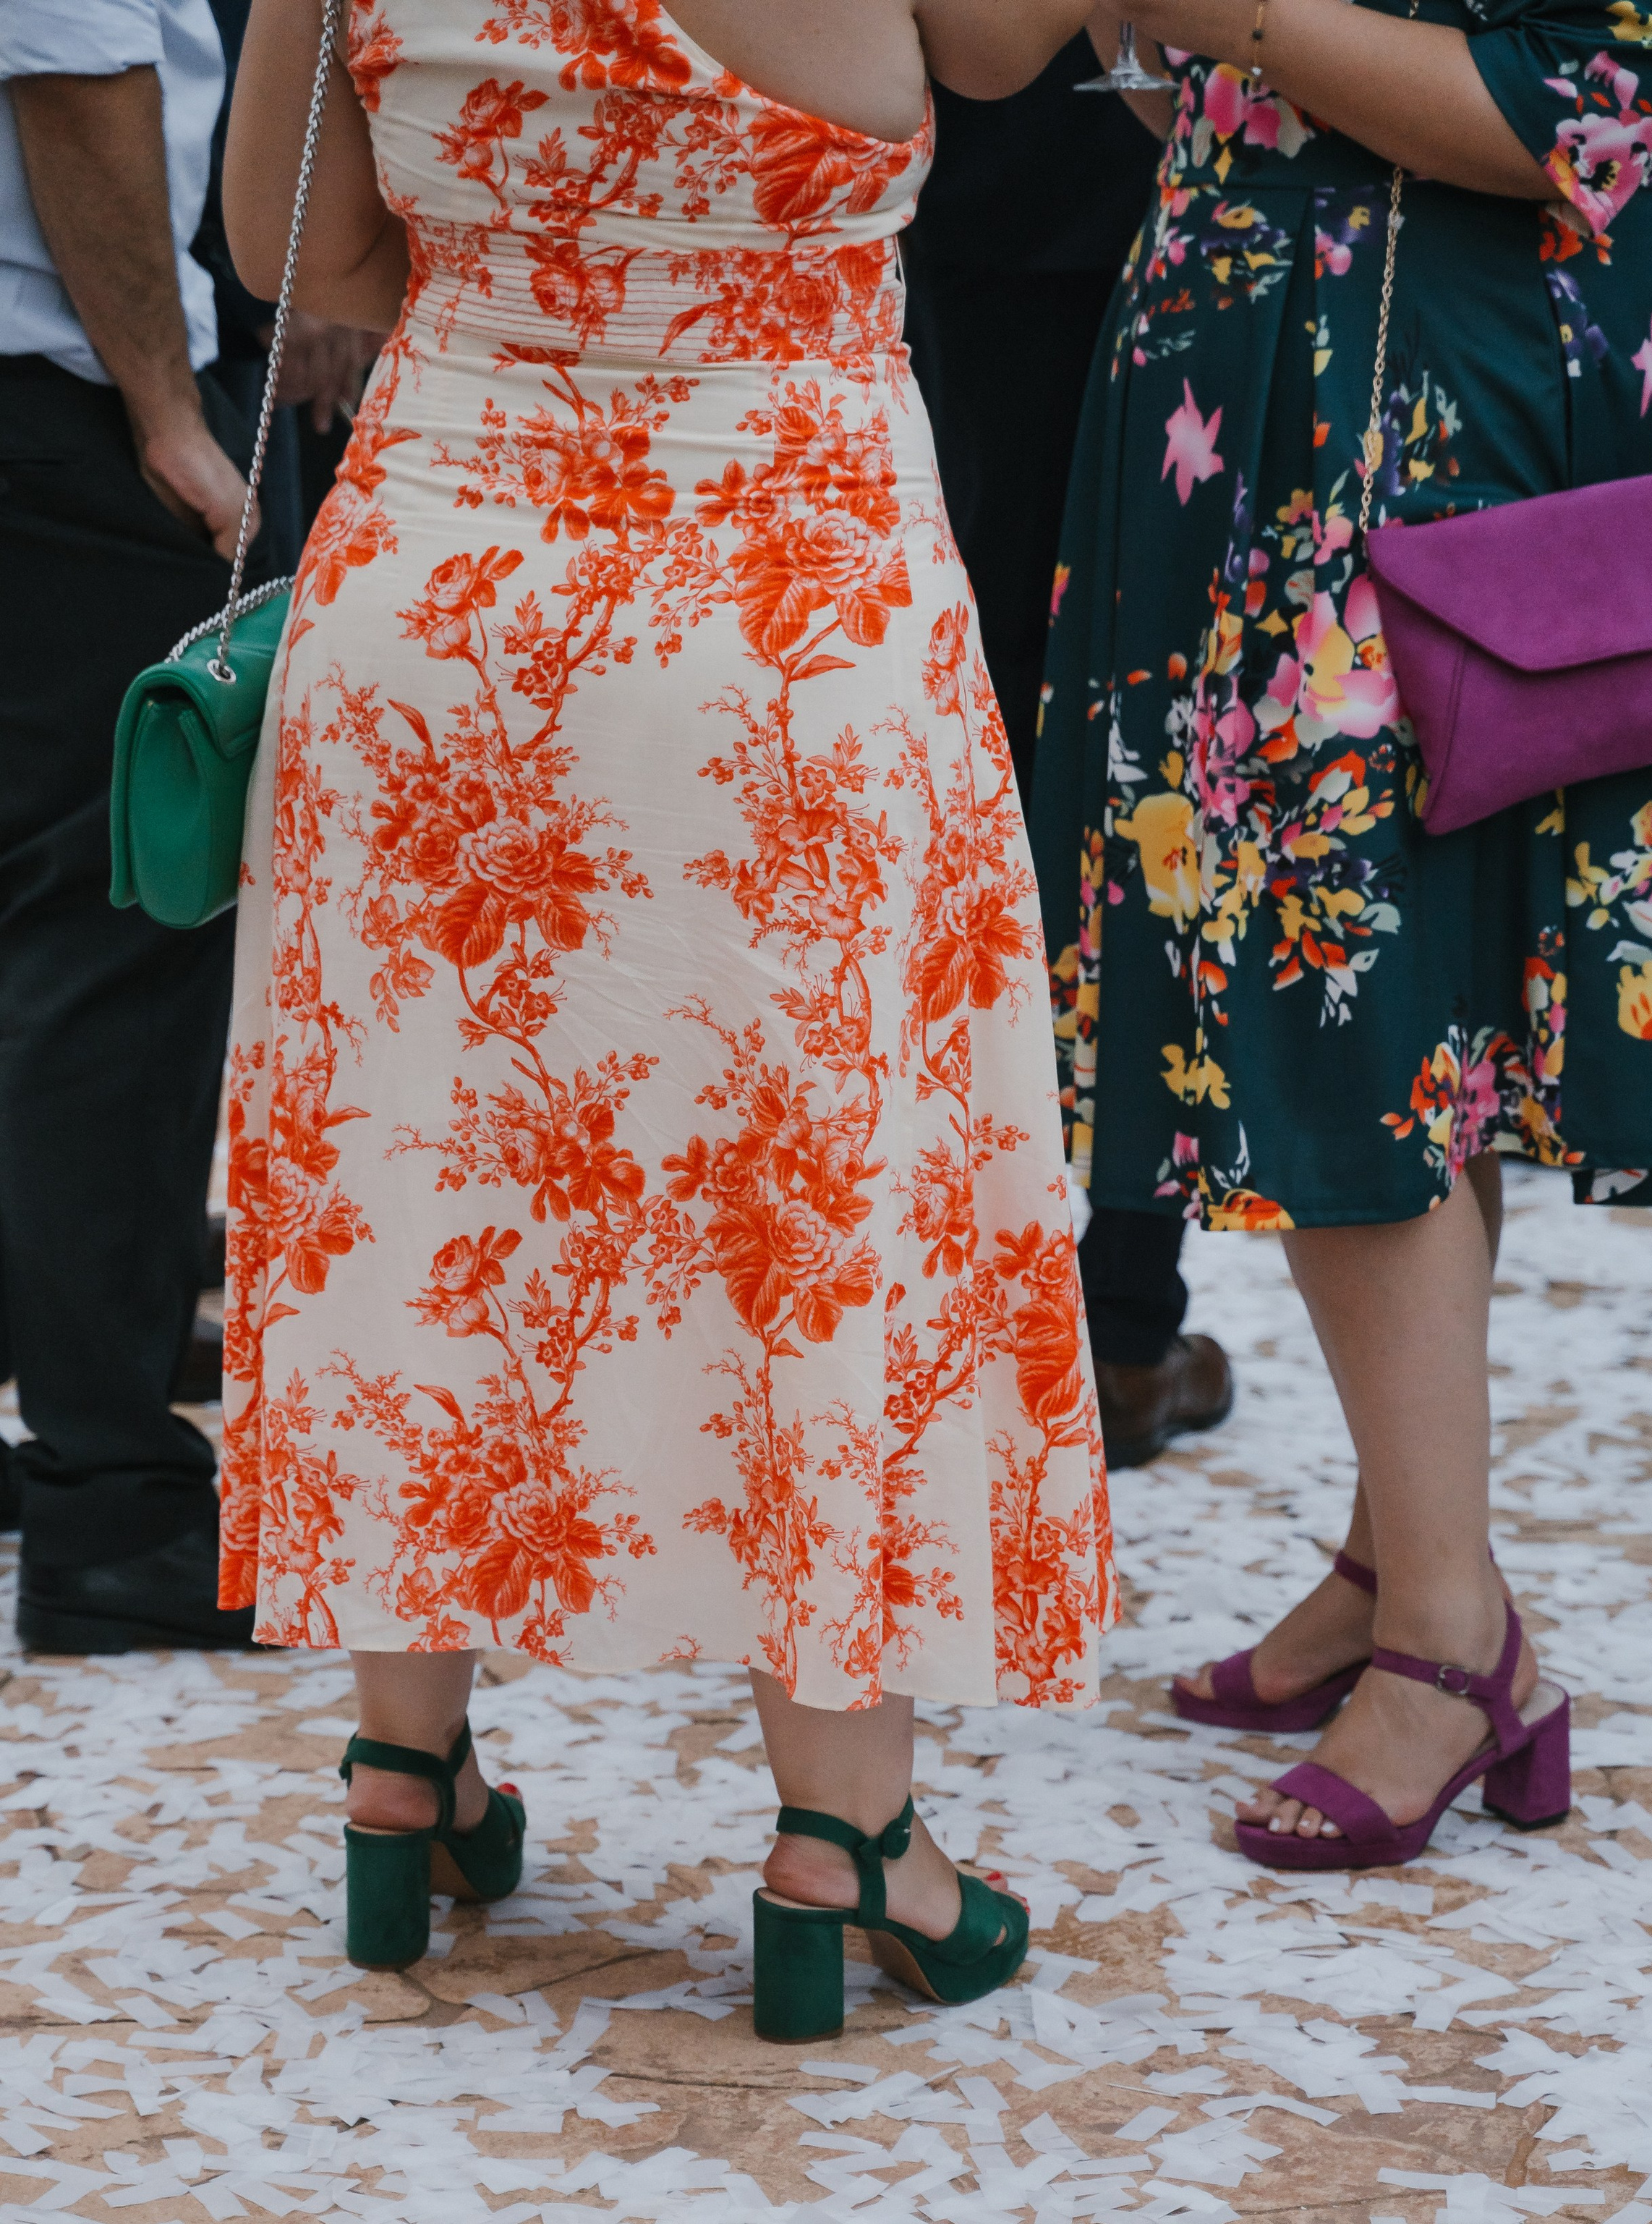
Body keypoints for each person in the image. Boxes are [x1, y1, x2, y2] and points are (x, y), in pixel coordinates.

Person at [221, 0, 1116, 2024]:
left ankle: (402, 1769)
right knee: (811, 1202)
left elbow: (308, 258)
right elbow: (1000, 56)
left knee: (425, 1188)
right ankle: (847, 1828)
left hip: (442, 595)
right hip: (780, 605)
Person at [1036, 0, 1652, 1866]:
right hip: (1268, 369)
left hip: (1423, 409)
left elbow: (1574, 113)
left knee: (1361, 1002)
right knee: (1388, 1002)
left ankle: (1450, 1640)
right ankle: (1400, 1548)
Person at [0, 0, 286, 1652]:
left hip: (52, 383)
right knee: (116, 938)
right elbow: (74, 65)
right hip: (70, 394)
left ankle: (67, 1421)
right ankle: (111, 1503)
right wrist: (168, 406)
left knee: (52, 932)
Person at [905, 38, 1233, 1472]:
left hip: (985, 204)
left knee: (1002, 743)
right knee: (1134, 749)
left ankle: (1050, 1302)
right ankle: (1106, 1313)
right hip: (1155, 192)